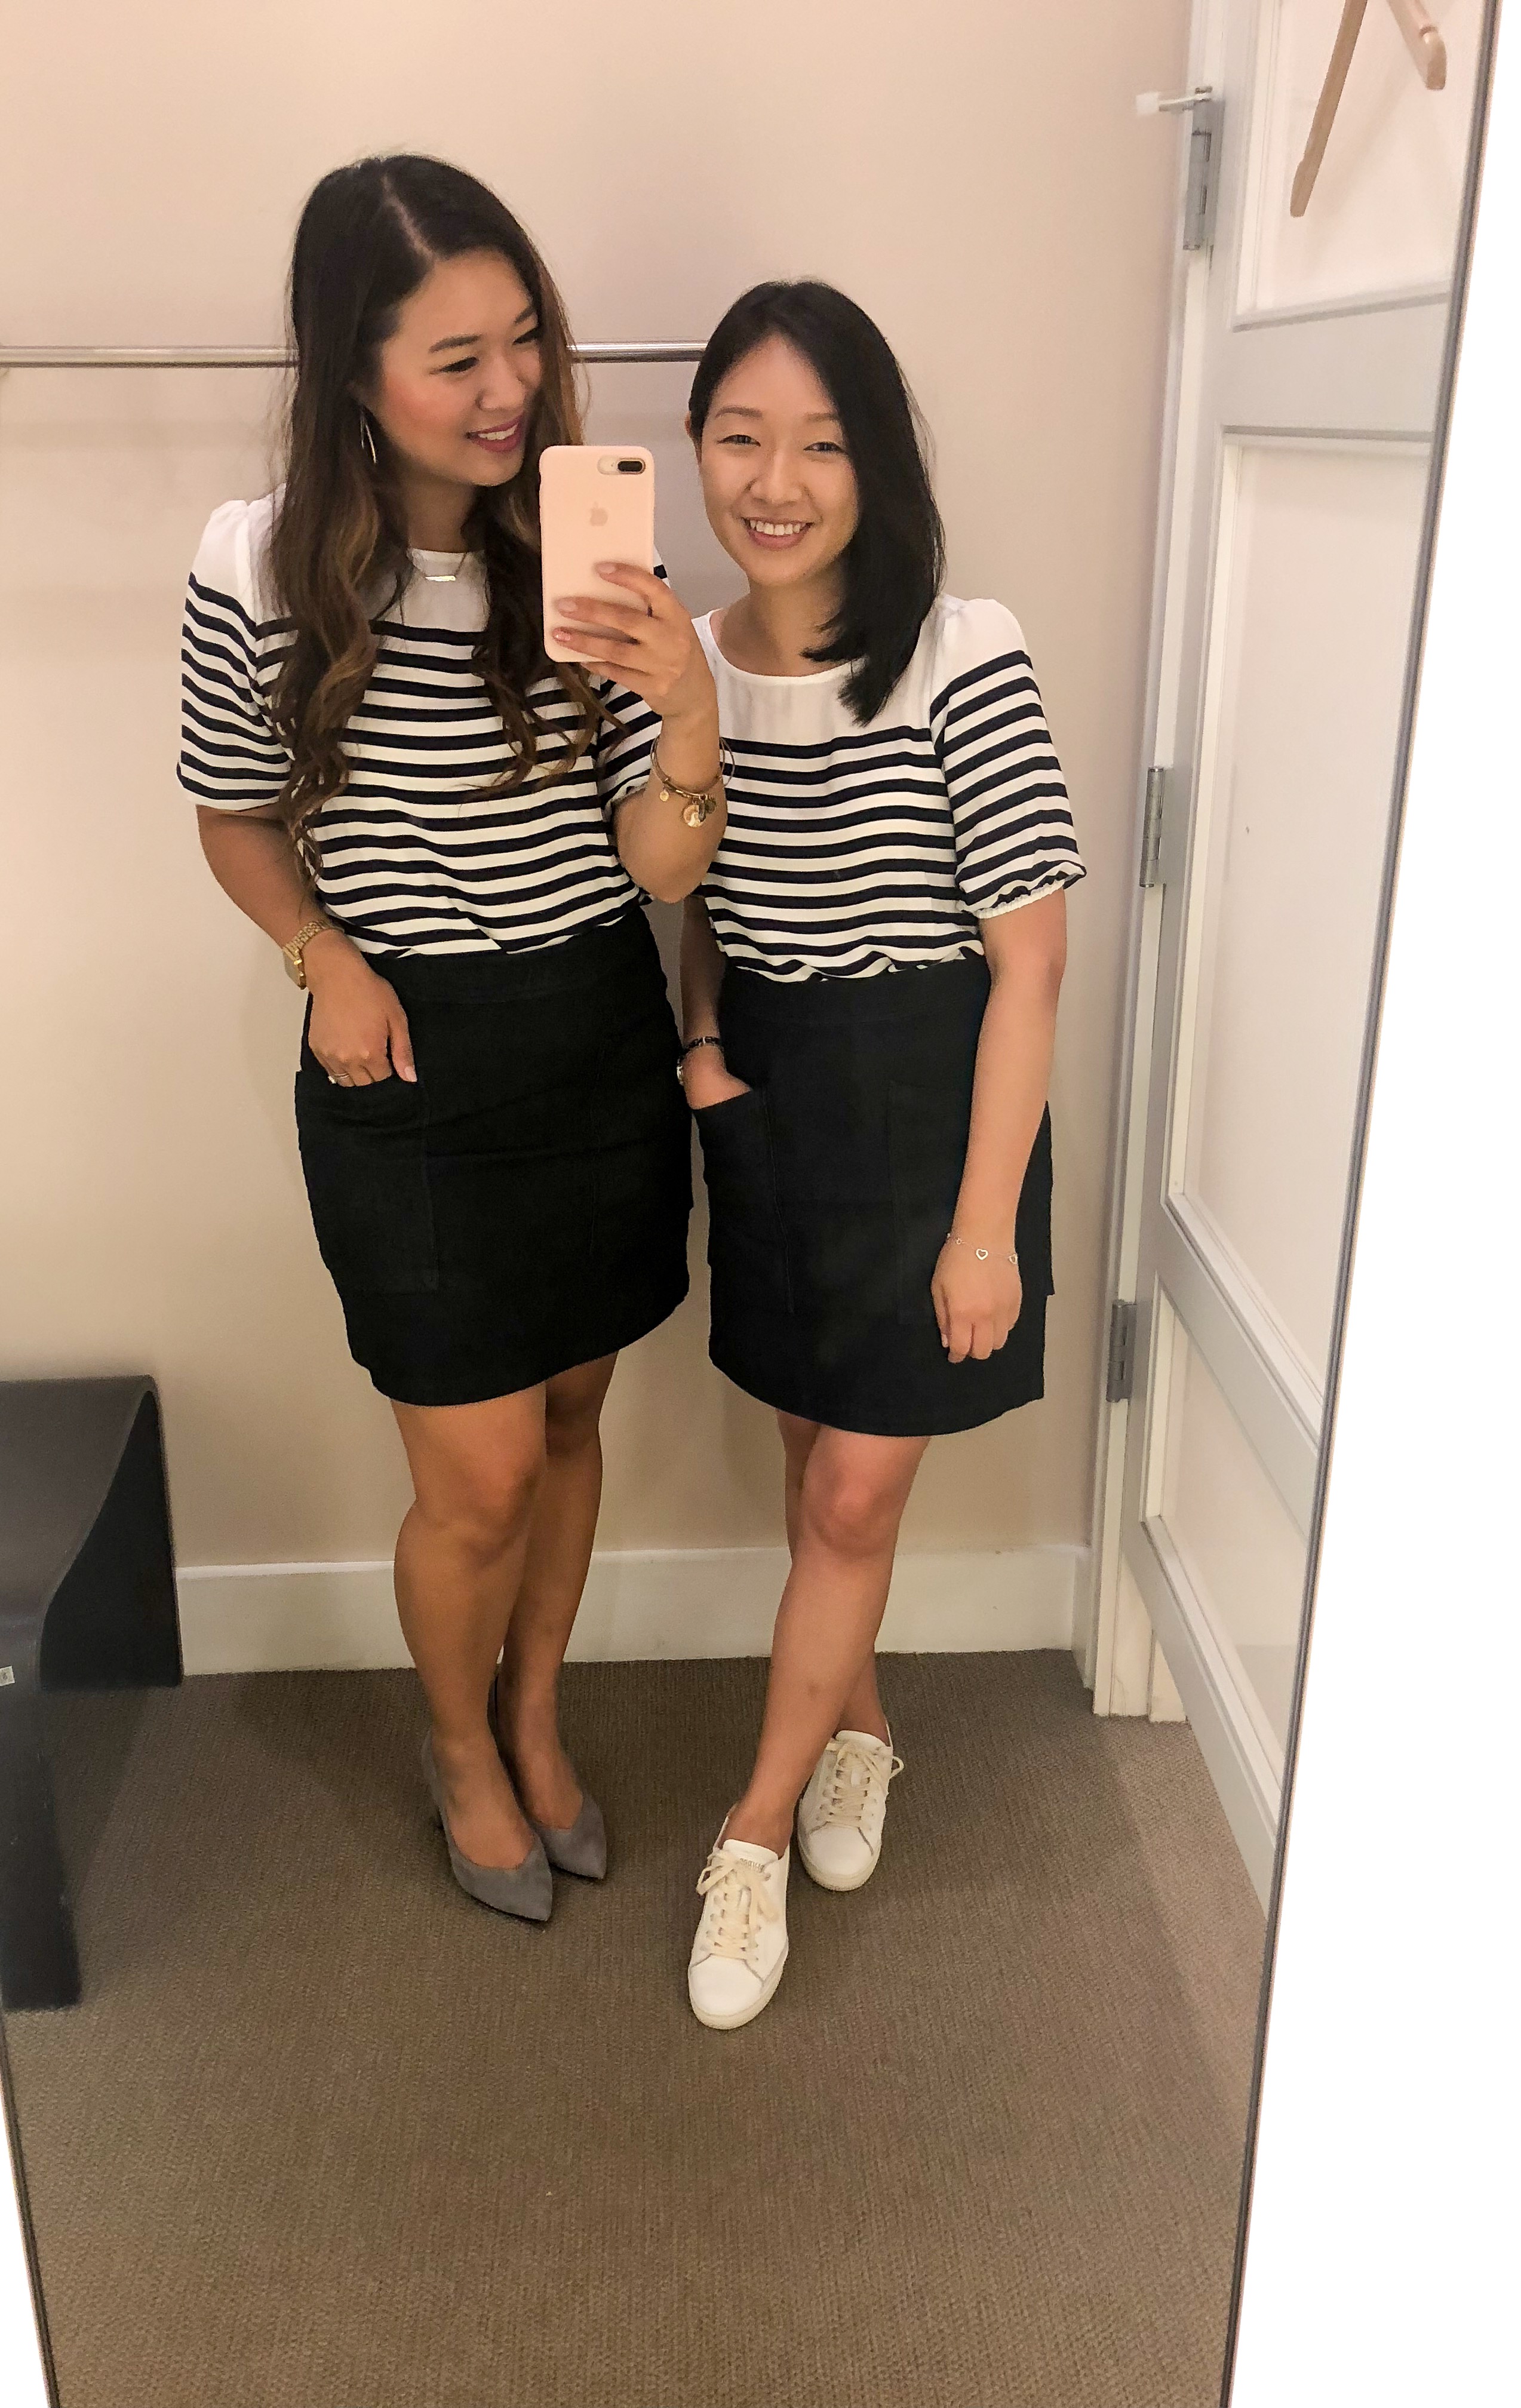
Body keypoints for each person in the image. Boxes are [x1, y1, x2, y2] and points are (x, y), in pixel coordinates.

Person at [180, 155, 724, 1925]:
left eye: (525, 340)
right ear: (353, 371)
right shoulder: (257, 563)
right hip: (403, 1054)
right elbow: (232, 813)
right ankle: (460, 1745)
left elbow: (659, 864)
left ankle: (537, 1712)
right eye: (455, 358)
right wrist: (319, 957)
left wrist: (689, 715)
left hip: (591, 1027)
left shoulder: (584, 548)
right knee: (474, 1476)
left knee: (570, 1416)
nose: (509, 390)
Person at [675, 282, 1083, 2028]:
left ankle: (753, 1833)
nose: (775, 483)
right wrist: (704, 1054)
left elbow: (1031, 964)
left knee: (855, 1491)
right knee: (810, 1456)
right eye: (740, 439)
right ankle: (861, 1728)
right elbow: (687, 890)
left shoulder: (959, 650)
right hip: (773, 1085)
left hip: (932, 1096)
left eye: (821, 445)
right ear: (699, 450)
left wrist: (985, 1228)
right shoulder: (689, 662)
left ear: (877, 465)